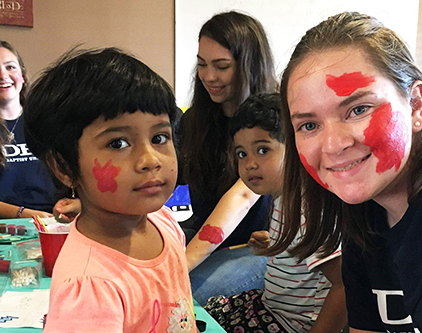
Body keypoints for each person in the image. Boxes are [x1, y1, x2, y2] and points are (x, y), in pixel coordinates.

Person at [271, 11, 422, 332]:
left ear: (416, 105)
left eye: (358, 109)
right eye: (309, 125)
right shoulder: (365, 217)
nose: (333, 145)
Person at [23, 47, 196, 332]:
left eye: (159, 137)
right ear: (64, 167)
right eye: (118, 143)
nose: (151, 159)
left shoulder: (163, 222)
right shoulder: (88, 287)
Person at [204, 93, 347, 333]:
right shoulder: (285, 197)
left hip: (290, 324)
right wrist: (278, 243)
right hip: (271, 307)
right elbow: (304, 251)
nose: (250, 163)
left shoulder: (307, 210)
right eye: (242, 154)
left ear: (294, 149)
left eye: (262, 150)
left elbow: (344, 284)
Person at [178, 11, 278, 304]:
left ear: (249, 66)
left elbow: (241, 198)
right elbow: (162, 176)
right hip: (206, 236)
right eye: (201, 65)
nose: (209, 76)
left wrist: (180, 266)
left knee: (183, 294)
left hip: (260, 249)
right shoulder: (195, 120)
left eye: (221, 66)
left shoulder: (271, 121)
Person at [0, 41, 57, 218]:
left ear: (22, 76)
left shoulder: (46, 122)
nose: (3, 75)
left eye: (10, 67)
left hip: (56, 220)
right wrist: (24, 214)